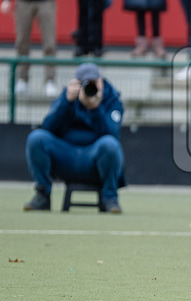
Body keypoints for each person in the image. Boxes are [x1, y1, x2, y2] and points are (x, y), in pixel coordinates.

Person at [23, 62, 126, 213]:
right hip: (66, 156)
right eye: (86, 83)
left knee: (110, 144)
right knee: (36, 138)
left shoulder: (113, 100)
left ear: (101, 81)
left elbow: (112, 134)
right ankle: (43, 195)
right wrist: (67, 102)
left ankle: (110, 197)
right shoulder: (67, 96)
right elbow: (48, 128)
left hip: (94, 158)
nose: (91, 86)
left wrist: (95, 108)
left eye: (94, 82)